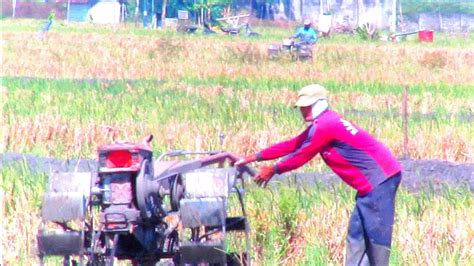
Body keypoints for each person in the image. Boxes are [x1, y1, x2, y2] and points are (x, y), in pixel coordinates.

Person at [235, 84, 402, 266]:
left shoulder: (326, 125)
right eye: (301, 107)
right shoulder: (324, 123)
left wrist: (273, 170)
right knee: (356, 233)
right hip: (369, 185)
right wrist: (252, 157)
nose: (304, 110)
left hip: (380, 180)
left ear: (321, 103)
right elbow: (293, 144)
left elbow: (302, 155)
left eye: (308, 105)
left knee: (376, 237)